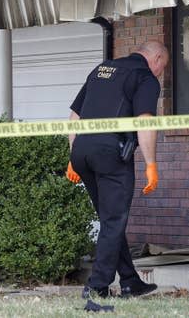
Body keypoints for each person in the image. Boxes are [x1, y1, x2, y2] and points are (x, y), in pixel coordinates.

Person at [66, 40, 169, 299]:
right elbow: (145, 122)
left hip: (83, 151)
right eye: (162, 67)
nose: (160, 73)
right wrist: (151, 164)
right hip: (111, 153)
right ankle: (97, 285)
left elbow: (74, 117)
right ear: (156, 59)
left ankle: (130, 281)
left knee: (110, 218)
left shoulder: (102, 69)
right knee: (114, 220)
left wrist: (73, 156)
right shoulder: (144, 77)